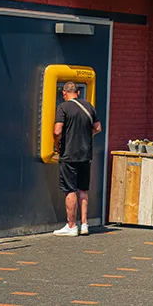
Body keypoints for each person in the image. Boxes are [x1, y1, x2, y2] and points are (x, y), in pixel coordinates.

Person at [53, 82, 102, 237]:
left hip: (69, 154)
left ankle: (72, 225)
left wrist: (57, 144)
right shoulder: (88, 106)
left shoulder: (63, 107)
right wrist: (86, 137)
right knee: (82, 189)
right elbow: (98, 128)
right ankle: (85, 224)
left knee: (70, 190)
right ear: (78, 93)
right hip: (85, 154)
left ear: (64, 93)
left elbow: (57, 130)